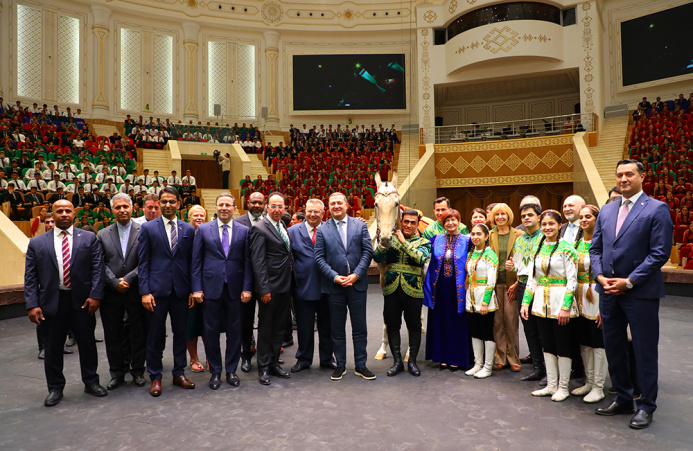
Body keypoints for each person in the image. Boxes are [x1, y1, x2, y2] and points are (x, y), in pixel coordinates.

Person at [590, 159, 673, 429]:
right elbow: (595, 250)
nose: (623, 178)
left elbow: (659, 253)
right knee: (614, 348)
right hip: (608, 292)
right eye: (619, 175)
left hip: (640, 293)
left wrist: (629, 281)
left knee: (644, 350)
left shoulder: (657, 209)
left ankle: (646, 406)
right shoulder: (607, 210)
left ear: (641, 177)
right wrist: (601, 277)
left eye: (629, 174)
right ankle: (623, 398)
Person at [24, 200, 107, 407]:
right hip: (52, 301)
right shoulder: (37, 243)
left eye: (67, 211)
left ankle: (91, 381)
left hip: (83, 301)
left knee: (87, 343)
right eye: (59, 211)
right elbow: (31, 277)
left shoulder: (89, 238)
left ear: (74, 214)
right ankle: (55, 388)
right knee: (53, 347)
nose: (63, 214)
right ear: (51, 214)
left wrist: (96, 296)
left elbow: (98, 269)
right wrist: (32, 304)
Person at [138, 187, 196, 396]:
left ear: (179, 204)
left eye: (172, 201)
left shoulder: (188, 229)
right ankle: (155, 376)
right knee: (154, 335)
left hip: (181, 292)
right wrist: (145, 291)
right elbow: (143, 262)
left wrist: (192, 289)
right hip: (156, 291)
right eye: (164, 202)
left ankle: (179, 373)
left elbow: (192, 263)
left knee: (181, 334)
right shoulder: (148, 229)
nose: (168, 205)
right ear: (159, 204)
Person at [192, 194, 253, 389]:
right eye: (221, 205)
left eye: (228, 204)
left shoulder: (244, 231)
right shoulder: (203, 230)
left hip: (235, 290)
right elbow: (196, 262)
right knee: (211, 332)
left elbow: (247, 262)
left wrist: (247, 287)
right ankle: (216, 372)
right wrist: (197, 288)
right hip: (210, 289)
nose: (224, 208)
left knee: (235, 332)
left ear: (235, 208)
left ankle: (231, 370)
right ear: (215, 207)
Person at [314, 192, 374, 381]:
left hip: (357, 286)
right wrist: (335, 277)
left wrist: (356, 275)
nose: (336, 206)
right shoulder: (323, 229)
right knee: (337, 329)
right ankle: (340, 365)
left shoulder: (360, 225)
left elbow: (367, 252)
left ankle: (361, 365)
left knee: (360, 328)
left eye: (340, 203)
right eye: (333, 203)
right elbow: (319, 258)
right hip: (335, 288)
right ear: (328, 207)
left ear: (347, 205)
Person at [521, 210, 578, 402]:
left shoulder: (567, 248)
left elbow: (572, 281)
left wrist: (565, 307)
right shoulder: (539, 247)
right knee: (547, 344)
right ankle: (551, 384)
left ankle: (563, 387)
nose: (547, 227)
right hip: (540, 304)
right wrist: (525, 303)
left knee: (563, 345)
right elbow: (532, 279)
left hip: (559, 303)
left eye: (551, 224)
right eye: (544, 224)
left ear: (559, 226)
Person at [373, 209, 431, 377]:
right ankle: (397, 362)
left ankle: (412, 361)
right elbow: (376, 257)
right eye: (406, 221)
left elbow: (420, 259)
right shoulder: (390, 240)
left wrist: (403, 242)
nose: (408, 225)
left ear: (417, 224)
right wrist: (383, 244)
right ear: (401, 222)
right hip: (391, 289)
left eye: (413, 222)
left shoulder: (424, 242)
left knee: (414, 327)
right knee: (392, 326)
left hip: (413, 291)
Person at [97, 193, 147, 390]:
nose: (122, 210)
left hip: (136, 291)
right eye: (118, 207)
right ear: (112, 210)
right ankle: (117, 373)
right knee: (113, 335)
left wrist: (128, 279)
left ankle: (138, 372)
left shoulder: (144, 231)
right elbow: (98, 263)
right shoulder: (102, 234)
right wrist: (113, 281)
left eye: (125, 206)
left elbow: (146, 260)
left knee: (138, 334)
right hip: (112, 293)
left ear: (132, 208)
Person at [249, 192, 294, 385]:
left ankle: (275, 363)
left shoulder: (282, 224)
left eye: (280, 206)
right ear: (267, 207)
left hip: (285, 286)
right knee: (266, 330)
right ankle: (263, 368)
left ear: (285, 208)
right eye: (273, 206)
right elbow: (258, 262)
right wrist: (264, 289)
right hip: (270, 289)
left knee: (279, 329)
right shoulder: (259, 228)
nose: (277, 209)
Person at [287, 199, 335, 373]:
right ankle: (304, 359)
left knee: (326, 326)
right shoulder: (292, 231)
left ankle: (327, 358)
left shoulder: (331, 230)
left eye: (317, 212)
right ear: (304, 211)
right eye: (310, 211)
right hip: (302, 287)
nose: (313, 214)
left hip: (327, 287)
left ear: (323, 213)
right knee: (304, 327)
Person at [423, 209, 472, 371]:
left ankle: (457, 358)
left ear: (459, 221)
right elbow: (417, 246)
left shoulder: (468, 240)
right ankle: (442, 357)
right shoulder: (435, 239)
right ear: (442, 224)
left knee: (457, 323)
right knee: (441, 322)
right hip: (439, 290)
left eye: (453, 220)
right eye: (447, 221)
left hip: (459, 290)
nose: (450, 223)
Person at [571, 204, 606, 403]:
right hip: (579, 296)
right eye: (581, 217)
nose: (584, 220)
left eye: (588, 217)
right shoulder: (575, 244)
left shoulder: (602, 242)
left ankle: (599, 386)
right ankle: (589, 382)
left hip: (597, 294)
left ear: (596, 219)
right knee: (584, 341)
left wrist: (605, 306)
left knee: (598, 342)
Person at [506, 203, 545, 381]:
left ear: (539, 217)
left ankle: (550, 369)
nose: (526, 218)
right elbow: (518, 266)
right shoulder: (520, 240)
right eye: (523, 216)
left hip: (541, 287)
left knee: (543, 328)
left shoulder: (545, 237)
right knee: (529, 328)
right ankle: (538, 368)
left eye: (530, 215)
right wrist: (511, 268)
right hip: (522, 285)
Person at [488, 203, 524, 372]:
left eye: (503, 214)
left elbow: (525, 261)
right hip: (494, 284)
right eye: (497, 214)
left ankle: (513, 357)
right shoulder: (489, 235)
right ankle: (500, 357)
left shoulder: (519, 235)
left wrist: (517, 282)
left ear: (509, 216)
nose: (500, 217)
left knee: (511, 322)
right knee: (497, 322)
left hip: (512, 285)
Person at [234, 191, 265, 373]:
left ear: (264, 204)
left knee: (265, 320)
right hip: (244, 281)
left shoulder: (269, 222)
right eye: (254, 202)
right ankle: (246, 355)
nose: (256, 206)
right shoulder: (237, 223)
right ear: (248, 202)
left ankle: (264, 355)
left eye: (260, 203)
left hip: (265, 281)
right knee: (245, 320)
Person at [464, 223, 498, 379]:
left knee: (486, 332)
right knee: (475, 332)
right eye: (473, 234)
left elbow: (491, 282)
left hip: (485, 299)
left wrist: (485, 303)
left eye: (479, 234)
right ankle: (478, 364)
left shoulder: (490, 255)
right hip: (471, 298)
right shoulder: (472, 253)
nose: (475, 237)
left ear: (486, 236)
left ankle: (488, 366)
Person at [186, 205, 208, 373]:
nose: (199, 218)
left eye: (202, 215)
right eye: (195, 215)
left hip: (208, 288)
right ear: (189, 217)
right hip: (188, 289)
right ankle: (194, 358)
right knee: (191, 325)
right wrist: (191, 290)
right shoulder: (184, 236)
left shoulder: (209, 234)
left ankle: (210, 357)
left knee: (208, 324)